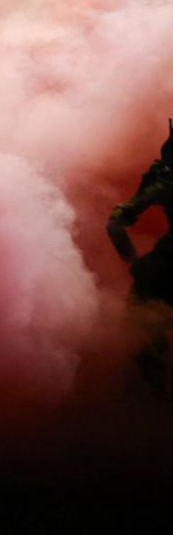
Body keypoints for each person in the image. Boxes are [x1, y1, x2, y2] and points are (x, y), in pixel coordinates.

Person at [108, 120, 173, 392]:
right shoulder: (163, 179)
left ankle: (147, 387)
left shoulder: (163, 180)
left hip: (166, 263)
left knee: (143, 309)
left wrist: (132, 260)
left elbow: (115, 225)